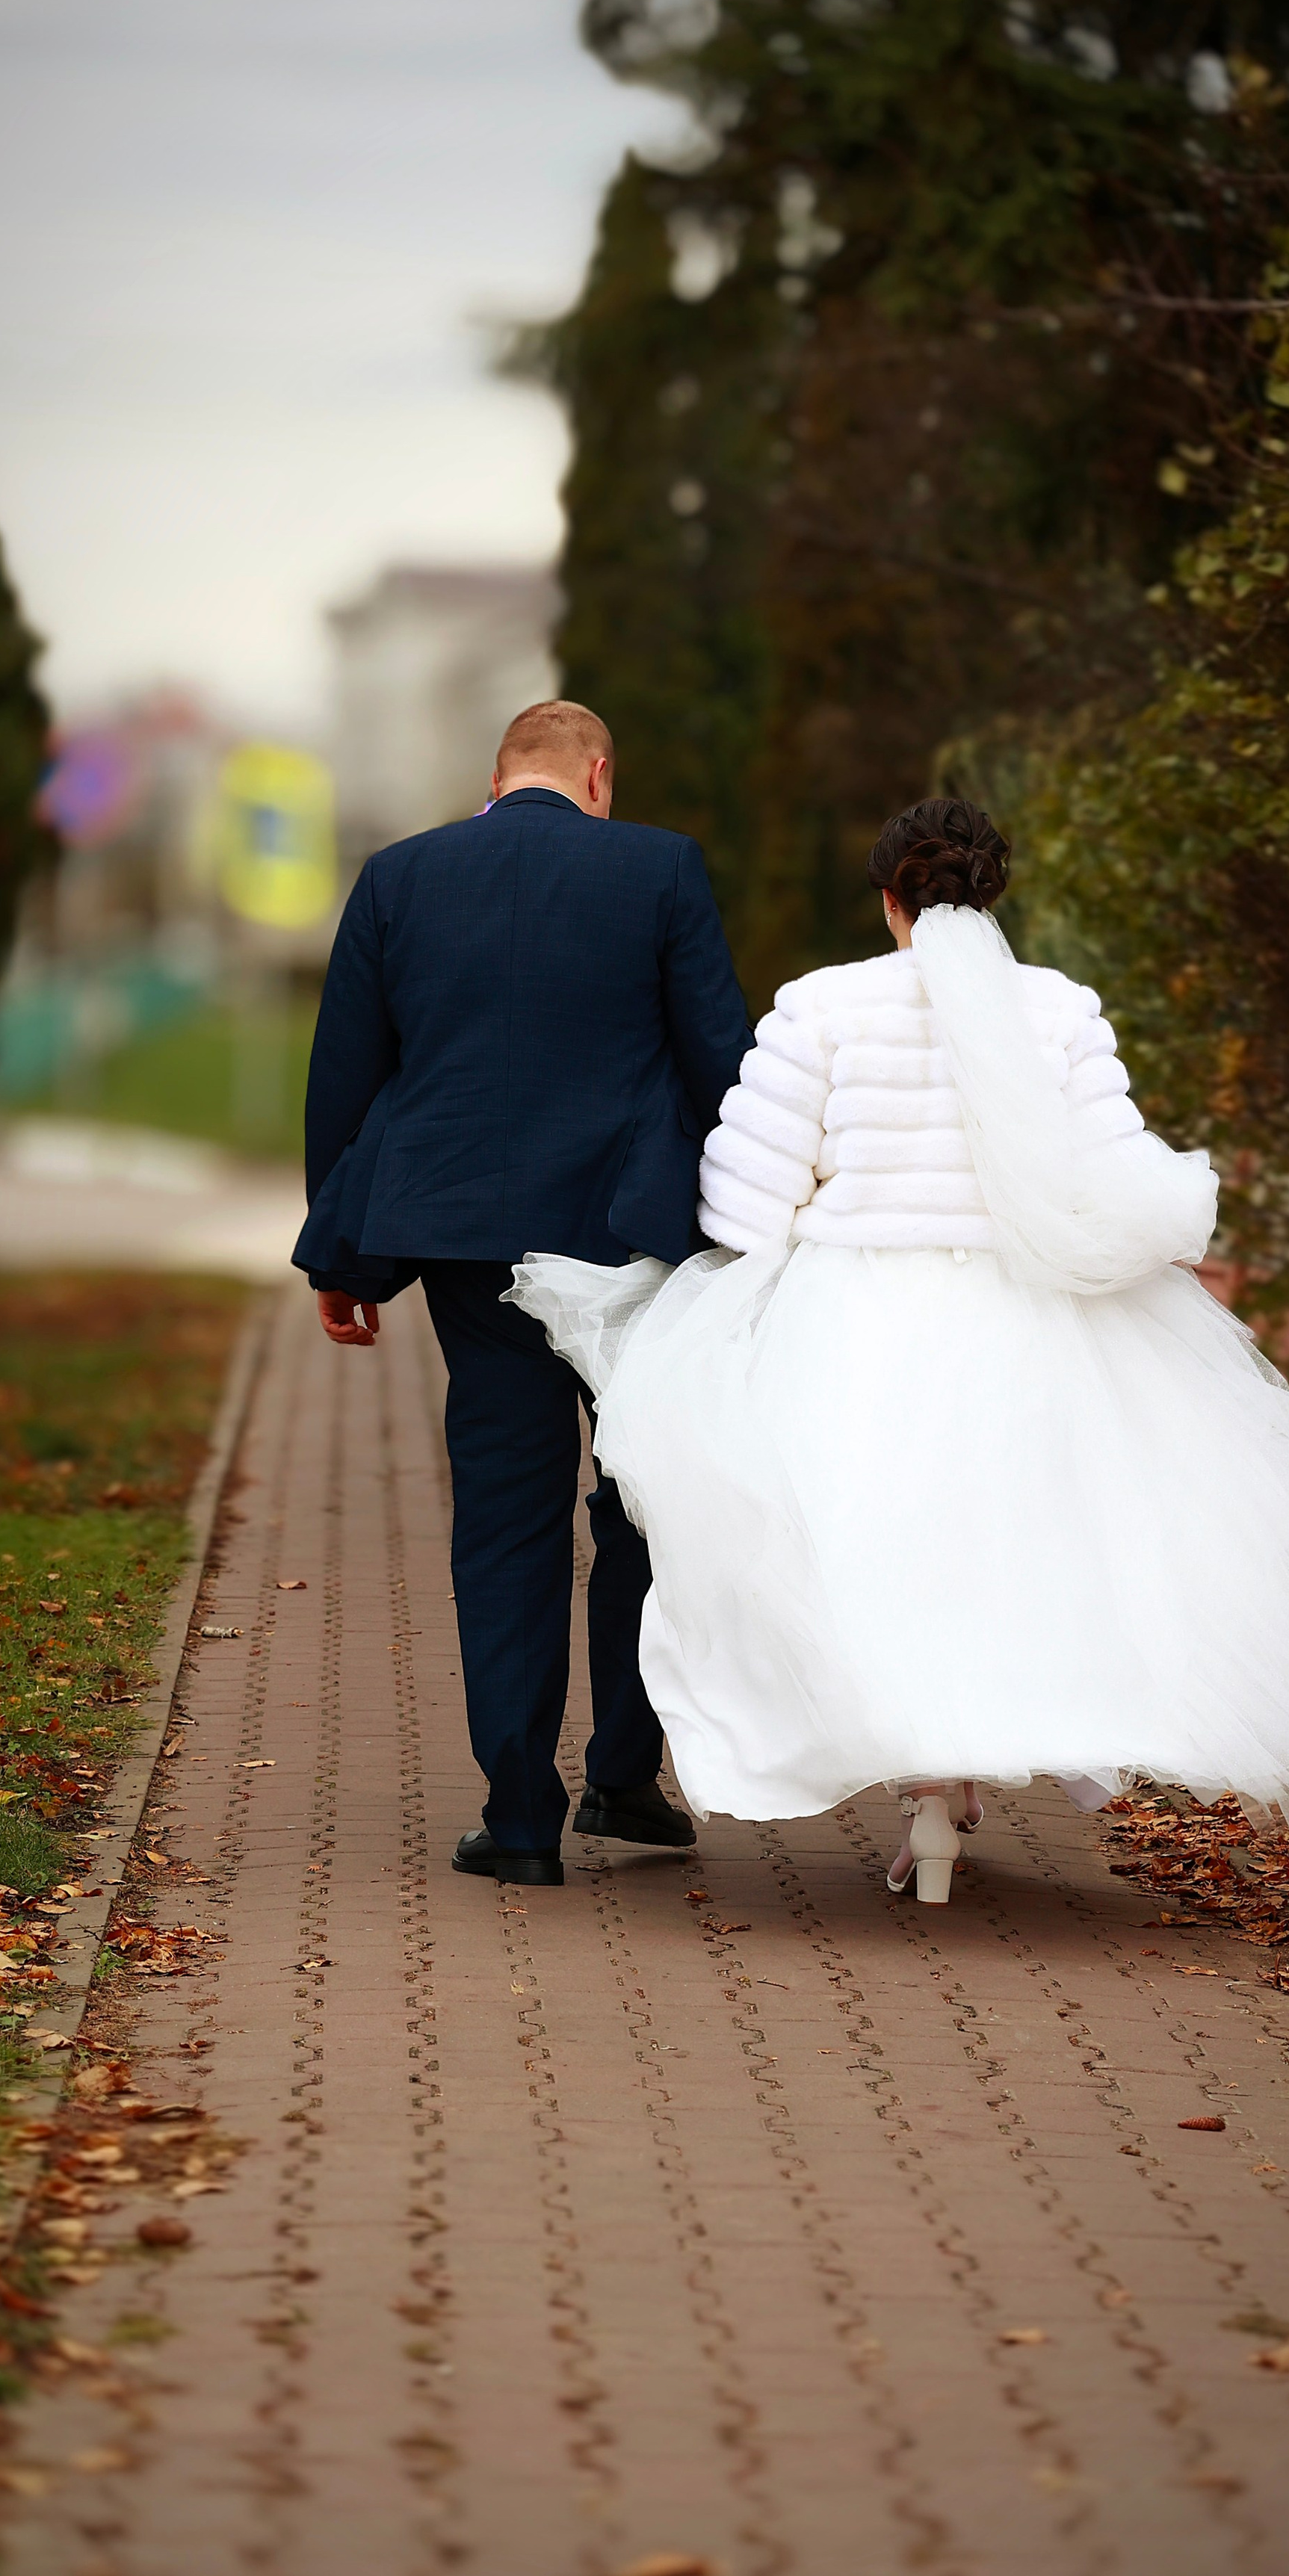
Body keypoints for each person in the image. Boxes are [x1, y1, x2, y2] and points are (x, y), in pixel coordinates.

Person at [510, 797, 1289, 1902]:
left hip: (859, 1318)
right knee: (1022, 1551)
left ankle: (928, 1791)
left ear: (888, 897)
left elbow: (749, 1205)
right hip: (1032, 1317)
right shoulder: (1060, 1012)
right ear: (991, 891)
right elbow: (1108, 1167)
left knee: (867, 1548)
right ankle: (957, 1786)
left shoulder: (822, 1008)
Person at [295, 699, 753, 1886]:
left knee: (505, 1514)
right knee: (642, 1496)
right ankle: (622, 1777)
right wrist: (754, 1237)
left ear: (491, 779)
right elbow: (720, 1061)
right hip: (630, 1244)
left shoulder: (400, 877)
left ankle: (516, 1817)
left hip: (466, 1244)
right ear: (599, 773)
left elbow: (347, 1069)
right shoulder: (660, 868)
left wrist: (344, 1255)